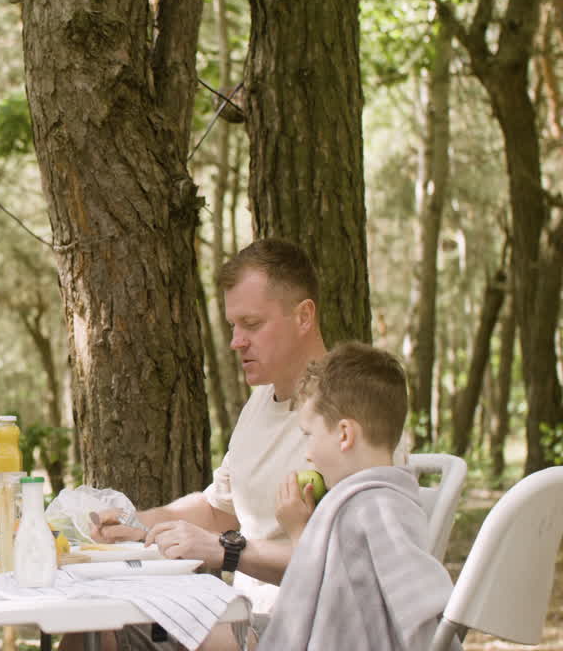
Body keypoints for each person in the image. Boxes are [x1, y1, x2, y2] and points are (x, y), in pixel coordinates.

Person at [95, 239, 334, 611]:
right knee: (100, 627)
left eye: (252, 324)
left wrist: (226, 550)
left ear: (304, 316)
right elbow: (219, 510)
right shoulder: (260, 401)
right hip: (238, 617)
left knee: (107, 633)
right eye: (234, 325)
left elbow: (345, 562)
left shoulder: (352, 410)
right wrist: (139, 524)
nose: (236, 342)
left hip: (300, 629)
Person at [260, 342, 451, 651]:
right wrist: (301, 533)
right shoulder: (362, 503)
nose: (307, 454)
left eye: (310, 435)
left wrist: (299, 533)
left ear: (345, 434)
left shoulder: (375, 507)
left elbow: (420, 604)